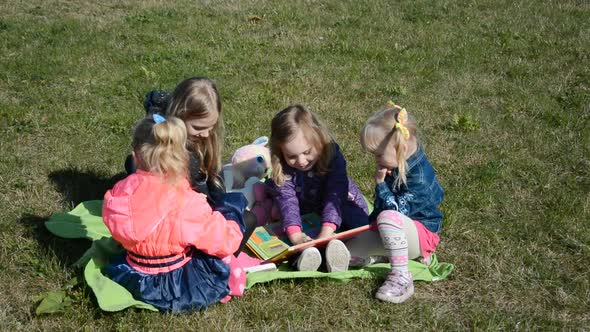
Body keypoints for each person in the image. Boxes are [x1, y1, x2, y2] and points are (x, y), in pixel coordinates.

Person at [103, 114, 248, 312]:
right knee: (231, 206)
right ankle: (235, 279)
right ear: (182, 158)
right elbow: (225, 243)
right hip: (174, 286)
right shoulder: (185, 201)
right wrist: (230, 216)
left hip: (133, 274)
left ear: (135, 156)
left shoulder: (119, 192)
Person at [126, 77, 256, 254]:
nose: (206, 133)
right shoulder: (175, 153)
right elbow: (191, 202)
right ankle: (220, 265)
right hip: (176, 223)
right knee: (246, 219)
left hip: (175, 217)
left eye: (211, 127)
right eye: (198, 127)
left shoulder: (164, 132)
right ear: (179, 115)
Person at [345, 101, 444, 304]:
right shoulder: (395, 164)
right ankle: (380, 256)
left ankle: (401, 276)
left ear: (402, 147)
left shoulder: (419, 178)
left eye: (379, 154)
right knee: (348, 251)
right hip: (394, 230)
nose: (376, 160)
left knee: (387, 217)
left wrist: (381, 185)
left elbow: (396, 211)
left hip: (421, 236)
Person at [268, 105, 370, 272]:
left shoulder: (332, 155)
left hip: (341, 203)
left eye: (307, 152)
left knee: (359, 224)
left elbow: (334, 195)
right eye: (291, 156)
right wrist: (296, 237)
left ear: (319, 140)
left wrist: (326, 233)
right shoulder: (283, 167)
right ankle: (310, 255)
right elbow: (287, 201)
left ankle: (339, 252)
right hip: (308, 210)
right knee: (286, 226)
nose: (301, 161)